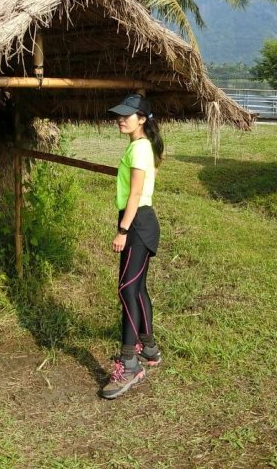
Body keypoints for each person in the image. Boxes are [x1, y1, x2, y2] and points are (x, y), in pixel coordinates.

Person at [100, 93, 163, 399]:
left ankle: (129, 363)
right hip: (142, 221)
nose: (121, 119)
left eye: (127, 115)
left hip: (136, 223)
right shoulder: (141, 147)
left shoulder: (139, 149)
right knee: (136, 289)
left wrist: (122, 230)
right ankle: (149, 347)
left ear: (142, 119)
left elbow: (135, 195)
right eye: (119, 114)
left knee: (127, 289)